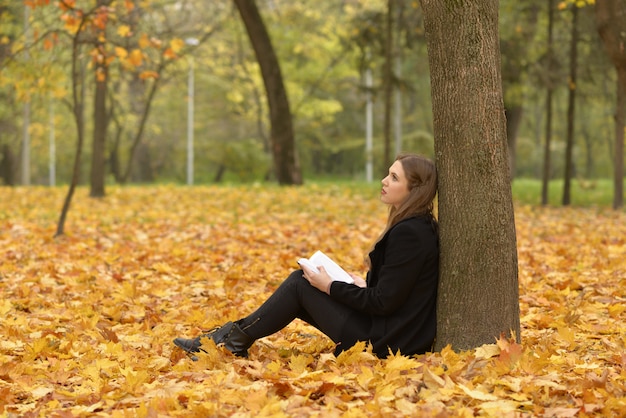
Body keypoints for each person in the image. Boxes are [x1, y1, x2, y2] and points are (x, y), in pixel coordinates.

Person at [173, 153, 439, 360]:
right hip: (388, 331)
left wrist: (330, 286)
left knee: (301, 283)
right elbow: (396, 292)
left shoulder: (410, 234)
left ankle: (227, 342)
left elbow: (383, 303)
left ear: (413, 189)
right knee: (301, 284)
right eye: (388, 174)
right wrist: (362, 285)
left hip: (386, 342)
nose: (384, 181)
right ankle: (230, 341)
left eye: (394, 177)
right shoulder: (416, 226)